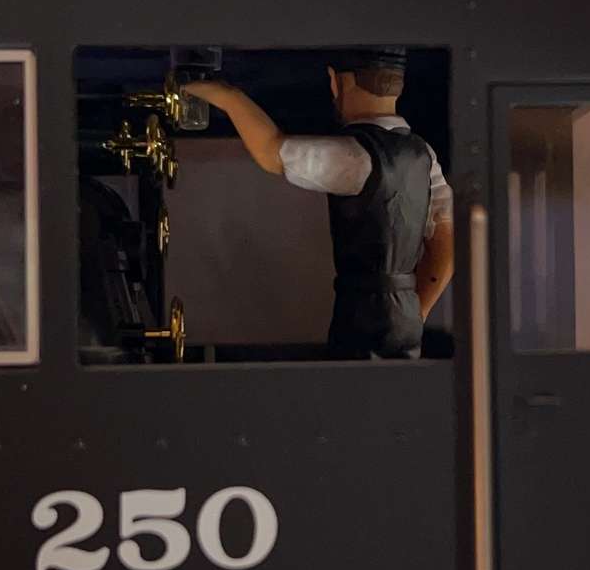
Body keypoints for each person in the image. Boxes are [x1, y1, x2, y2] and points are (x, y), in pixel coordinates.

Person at [183, 54, 455, 358]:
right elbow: (446, 244)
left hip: (364, 313)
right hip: (403, 315)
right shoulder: (423, 153)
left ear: (337, 82)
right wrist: (415, 312)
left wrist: (228, 96)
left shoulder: (357, 155)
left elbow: (271, 151)